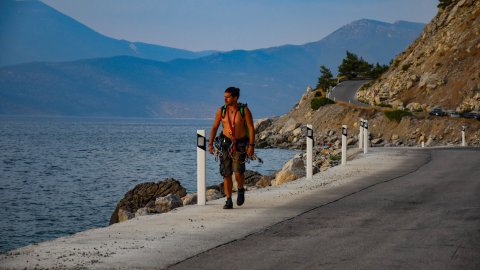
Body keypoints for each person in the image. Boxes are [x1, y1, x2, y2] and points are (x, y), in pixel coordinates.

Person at [208, 86, 255, 209]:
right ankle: (228, 200)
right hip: (225, 143)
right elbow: (214, 127)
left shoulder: (244, 110)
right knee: (226, 173)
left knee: (238, 171)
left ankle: (240, 189)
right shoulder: (221, 111)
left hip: (240, 144)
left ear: (235, 97)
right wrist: (210, 144)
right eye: (224, 97)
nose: (225, 99)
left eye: (228, 97)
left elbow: (250, 127)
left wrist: (251, 146)